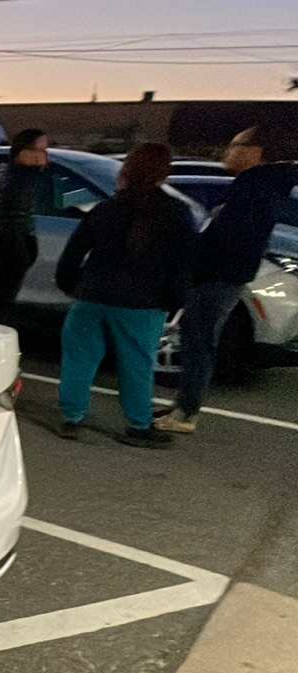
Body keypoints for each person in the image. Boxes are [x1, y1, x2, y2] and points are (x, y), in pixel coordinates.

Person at [155, 125, 298, 433]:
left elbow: (230, 238)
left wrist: (198, 252)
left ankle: (185, 415)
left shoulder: (254, 187)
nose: (227, 152)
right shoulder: (261, 185)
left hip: (218, 276)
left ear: (255, 151)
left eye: (235, 145)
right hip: (225, 275)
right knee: (199, 341)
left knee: (199, 342)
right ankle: (183, 405)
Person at [54, 143, 196, 449]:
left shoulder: (106, 209)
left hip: (92, 296)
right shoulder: (176, 214)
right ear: (164, 173)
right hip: (142, 303)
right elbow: (183, 264)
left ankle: (72, 418)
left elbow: (73, 253)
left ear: (126, 170)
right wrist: (174, 300)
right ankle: (138, 425)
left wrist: (72, 285)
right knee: (137, 365)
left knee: (79, 358)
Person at [0, 128, 49, 323]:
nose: (44, 156)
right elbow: (7, 227)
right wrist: (22, 258)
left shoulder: (4, 180)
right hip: (0, 267)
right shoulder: (16, 183)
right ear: (22, 152)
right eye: (39, 150)